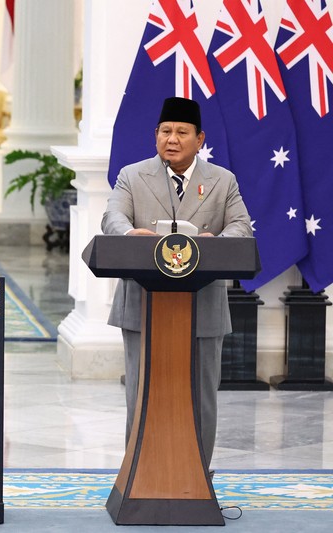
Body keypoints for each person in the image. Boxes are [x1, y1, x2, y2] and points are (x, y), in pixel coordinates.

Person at [101, 97, 252, 465]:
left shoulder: (222, 181)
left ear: (199, 139)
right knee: (141, 394)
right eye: (165, 131)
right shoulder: (132, 175)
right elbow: (112, 218)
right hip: (142, 305)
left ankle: (197, 475)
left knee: (201, 396)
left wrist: (218, 242)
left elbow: (241, 226)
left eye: (182, 132)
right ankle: (139, 475)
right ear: (155, 135)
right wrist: (129, 234)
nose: (172, 139)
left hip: (203, 307)